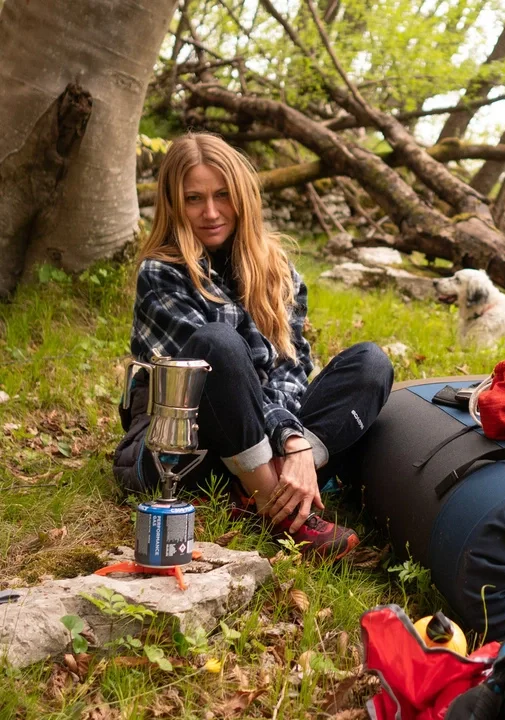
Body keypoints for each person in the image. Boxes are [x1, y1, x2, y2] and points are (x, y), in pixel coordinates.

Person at [113, 132, 394, 559]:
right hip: (187, 448)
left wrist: (292, 441)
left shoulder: (278, 269)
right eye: (194, 199)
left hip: (260, 439)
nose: (210, 212)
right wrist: (291, 438)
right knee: (218, 344)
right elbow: (213, 376)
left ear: (243, 196)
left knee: (370, 363)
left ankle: (271, 483)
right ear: (173, 204)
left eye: (222, 195)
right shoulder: (162, 272)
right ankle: (279, 509)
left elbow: (290, 368)